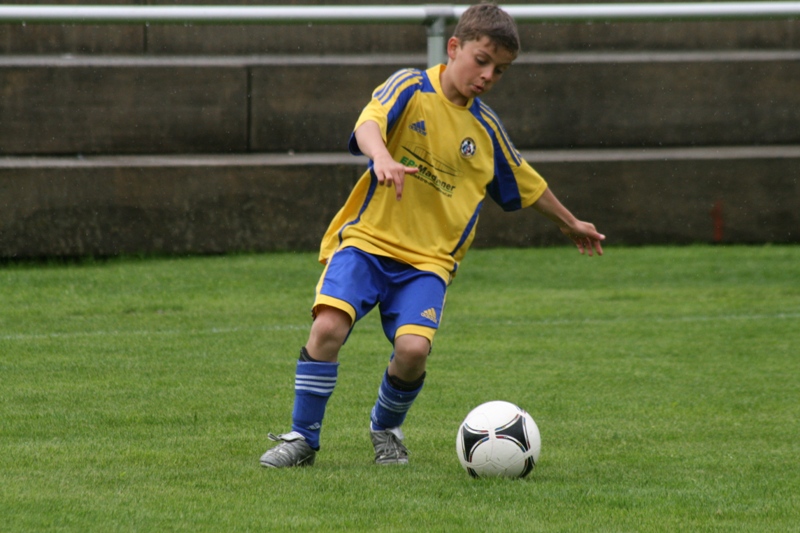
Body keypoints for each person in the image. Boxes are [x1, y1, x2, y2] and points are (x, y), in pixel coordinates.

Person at [259, 1, 605, 469]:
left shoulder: (486, 129)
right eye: (481, 61)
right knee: (327, 327)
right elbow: (368, 122)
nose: (488, 76)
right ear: (454, 47)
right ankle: (302, 438)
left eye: (500, 70)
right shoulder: (411, 86)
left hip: (428, 263)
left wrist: (569, 222)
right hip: (367, 243)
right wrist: (381, 156)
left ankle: (385, 428)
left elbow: (527, 182)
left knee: (413, 350)